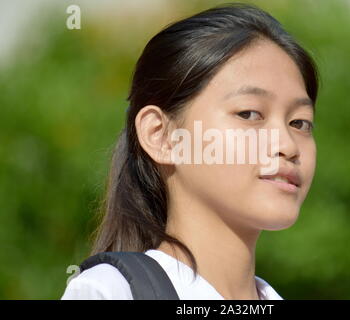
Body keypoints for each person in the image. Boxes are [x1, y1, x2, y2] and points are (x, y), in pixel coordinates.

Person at [61, 2, 319, 300]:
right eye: (249, 114)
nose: (287, 145)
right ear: (161, 135)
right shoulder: (110, 291)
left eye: (300, 122)